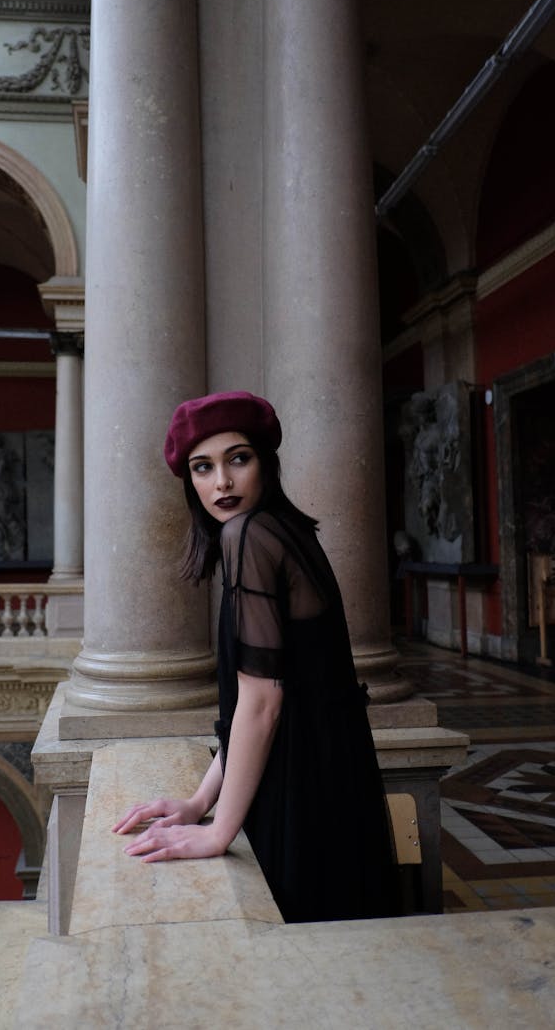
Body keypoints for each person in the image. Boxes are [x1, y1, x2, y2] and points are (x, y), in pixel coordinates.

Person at [113, 391, 401, 923]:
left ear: (266, 463)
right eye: (203, 468)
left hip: (303, 787)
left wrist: (219, 830)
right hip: (330, 772)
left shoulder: (248, 536)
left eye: (237, 459)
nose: (221, 482)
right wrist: (200, 802)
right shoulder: (284, 533)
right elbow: (270, 698)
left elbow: (263, 703)